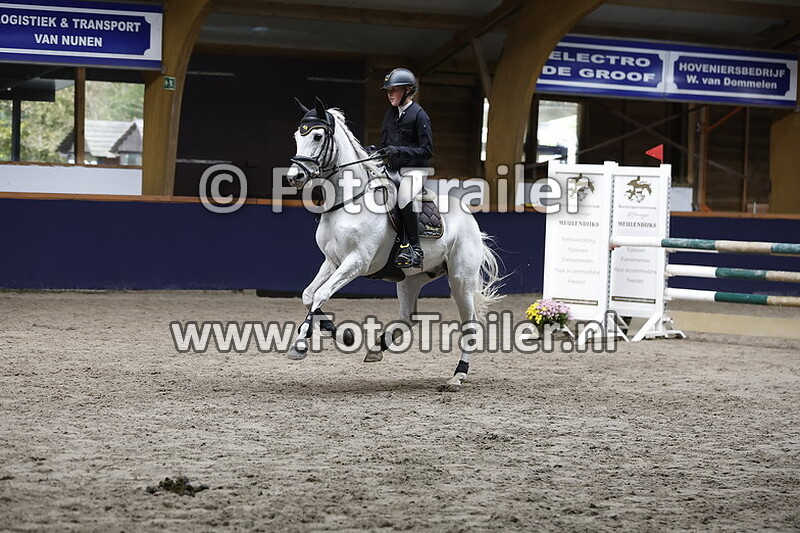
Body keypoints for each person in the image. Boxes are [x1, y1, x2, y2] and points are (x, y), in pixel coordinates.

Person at [368, 67, 433, 269]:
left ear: (407, 90)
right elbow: (386, 145)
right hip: (392, 169)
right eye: (388, 91)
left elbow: (427, 151)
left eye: (394, 90)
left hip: (415, 170)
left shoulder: (420, 115)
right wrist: (375, 151)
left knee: (404, 197)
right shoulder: (390, 114)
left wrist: (399, 150)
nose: (389, 94)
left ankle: (416, 249)